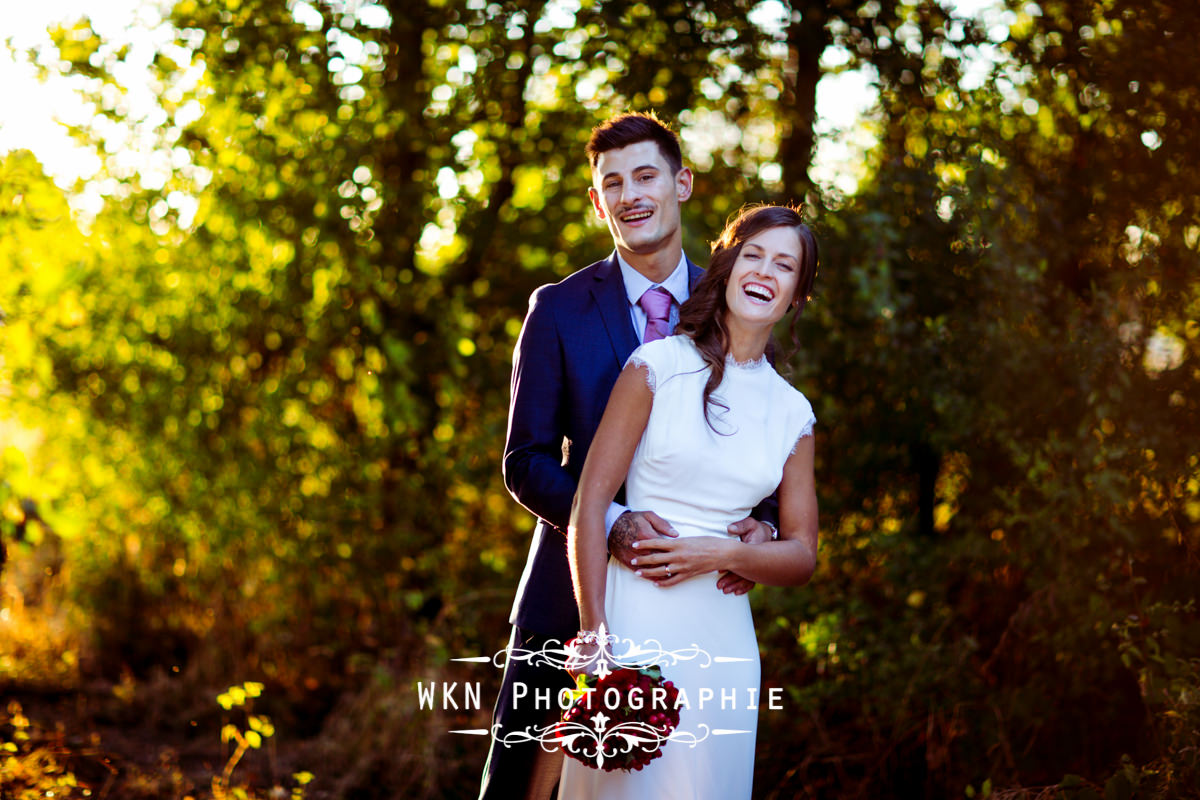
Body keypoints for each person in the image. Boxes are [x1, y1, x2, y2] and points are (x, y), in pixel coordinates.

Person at [480, 112, 780, 800]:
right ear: (596, 201)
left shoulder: (730, 306)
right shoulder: (556, 308)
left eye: (645, 175)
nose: (629, 194)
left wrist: (761, 522)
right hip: (566, 599)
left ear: (683, 183)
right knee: (521, 789)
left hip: (690, 598)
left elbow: (761, 434)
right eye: (611, 183)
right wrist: (610, 522)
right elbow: (524, 460)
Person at [561, 204, 821, 799]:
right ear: (727, 266)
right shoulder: (656, 366)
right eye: (753, 254)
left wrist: (717, 552)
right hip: (633, 622)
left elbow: (802, 554)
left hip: (723, 641)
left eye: (784, 265)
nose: (764, 271)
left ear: (797, 294)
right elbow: (591, 500)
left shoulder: (793, 413)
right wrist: (594, 633)